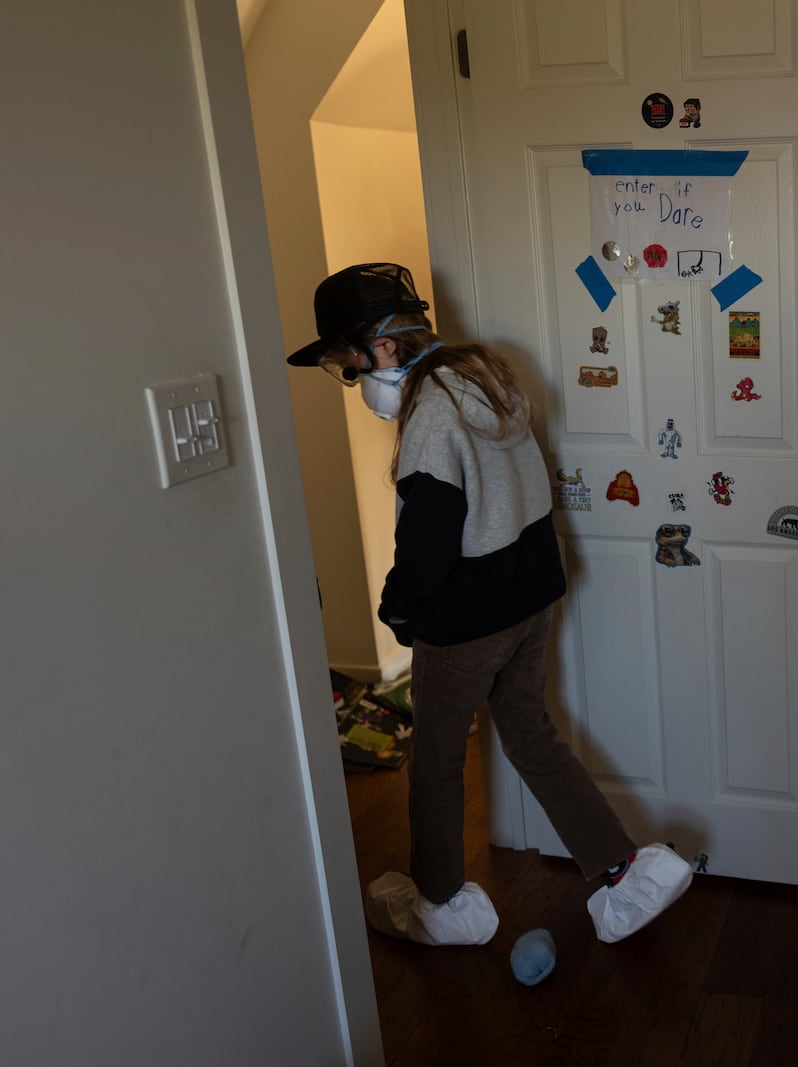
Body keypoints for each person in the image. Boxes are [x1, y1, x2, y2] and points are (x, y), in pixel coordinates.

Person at [286, 263, 692, 946]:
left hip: (466, 620)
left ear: (382, 346)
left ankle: (443, 905)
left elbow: (427, 540)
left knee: (438, 758)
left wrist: (401, 613)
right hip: (529, 601)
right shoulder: (487, 381)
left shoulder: (430, 416)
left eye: (349, 365)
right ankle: (628, 874)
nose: (354, 381)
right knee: (531, 734)